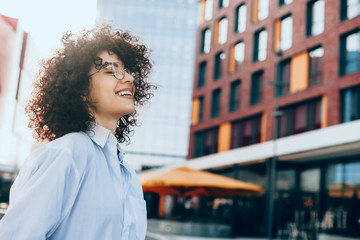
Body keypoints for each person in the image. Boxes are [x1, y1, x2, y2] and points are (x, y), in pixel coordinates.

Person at [0, 24, 155, 239]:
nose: (128, 78)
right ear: (81, 90)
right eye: (111, 71)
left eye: (127, 71)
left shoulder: (126, 172)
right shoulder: (69, 153)